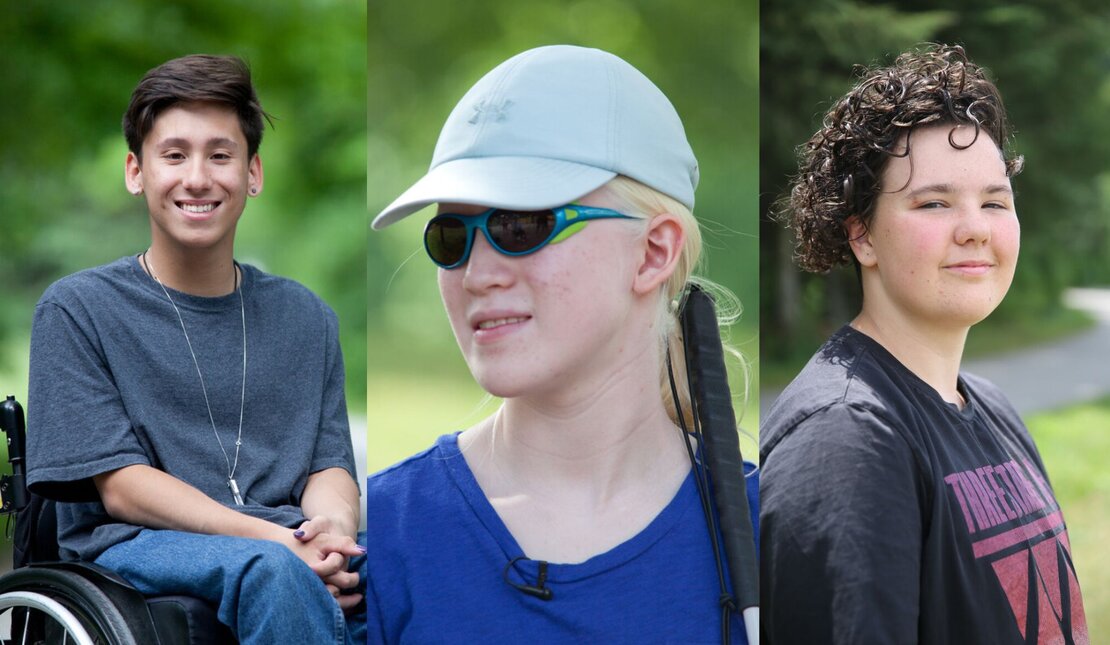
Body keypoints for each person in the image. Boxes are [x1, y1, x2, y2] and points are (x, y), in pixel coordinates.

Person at [367, 45, 758, 643]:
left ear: (654, 251)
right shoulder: (382, 537)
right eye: (452, 236)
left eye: (520, 226)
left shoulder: (778, 534)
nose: (477, 273)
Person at [25, 54, 366, 644]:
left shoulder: (306, 317)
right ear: (136, 171)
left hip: (281, 541)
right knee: (276, 574)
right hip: (135, 543)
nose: (198, 178)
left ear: (253, 173)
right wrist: (275, 541)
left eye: (220, 154)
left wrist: (331, 533)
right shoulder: (77, 310)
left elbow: (328, 464)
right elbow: (123, 487)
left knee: (411, 557)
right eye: (175, 154)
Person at [760, 44, 1089, 643]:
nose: (974, 228)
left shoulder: (991, 410)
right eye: (934, 203)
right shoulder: (847, 439)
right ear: (860, 235)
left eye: (995, 201)